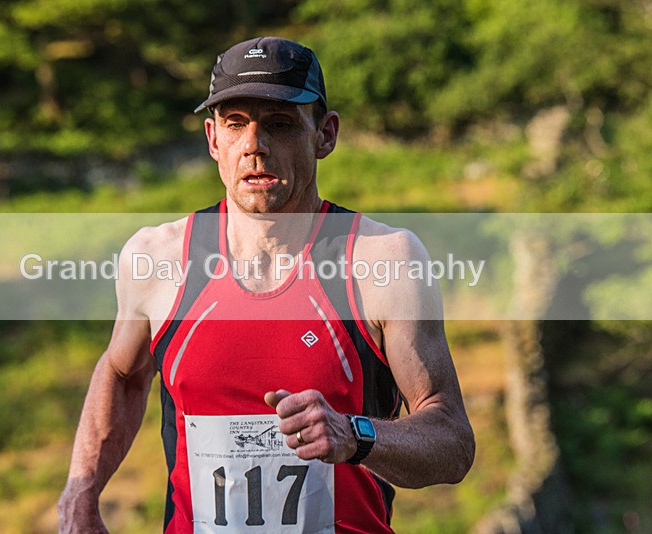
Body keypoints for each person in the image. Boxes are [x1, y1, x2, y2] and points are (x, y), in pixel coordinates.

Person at [58, 36, 475, 533]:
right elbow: (123, 374)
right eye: (237, 125)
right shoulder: (157, 257)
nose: (255, 145)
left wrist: (354, 435)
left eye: (279, 124)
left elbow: (452, 441)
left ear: (325, 134)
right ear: (214, 140)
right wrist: (81, 493)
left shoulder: (382, 260)